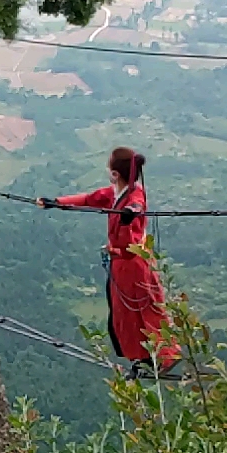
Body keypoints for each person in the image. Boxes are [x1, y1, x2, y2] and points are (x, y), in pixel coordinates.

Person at [36, 147, 181, 379]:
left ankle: (167, 354)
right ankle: (143, 358)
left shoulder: (134, 196)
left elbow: (137, 206)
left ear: (115, 173)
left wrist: (129, 212)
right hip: (121, 265)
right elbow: (88, 199)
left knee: (146, 307)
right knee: (125, 314)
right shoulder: (114, 194)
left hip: (135, 263)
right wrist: (57, 202)